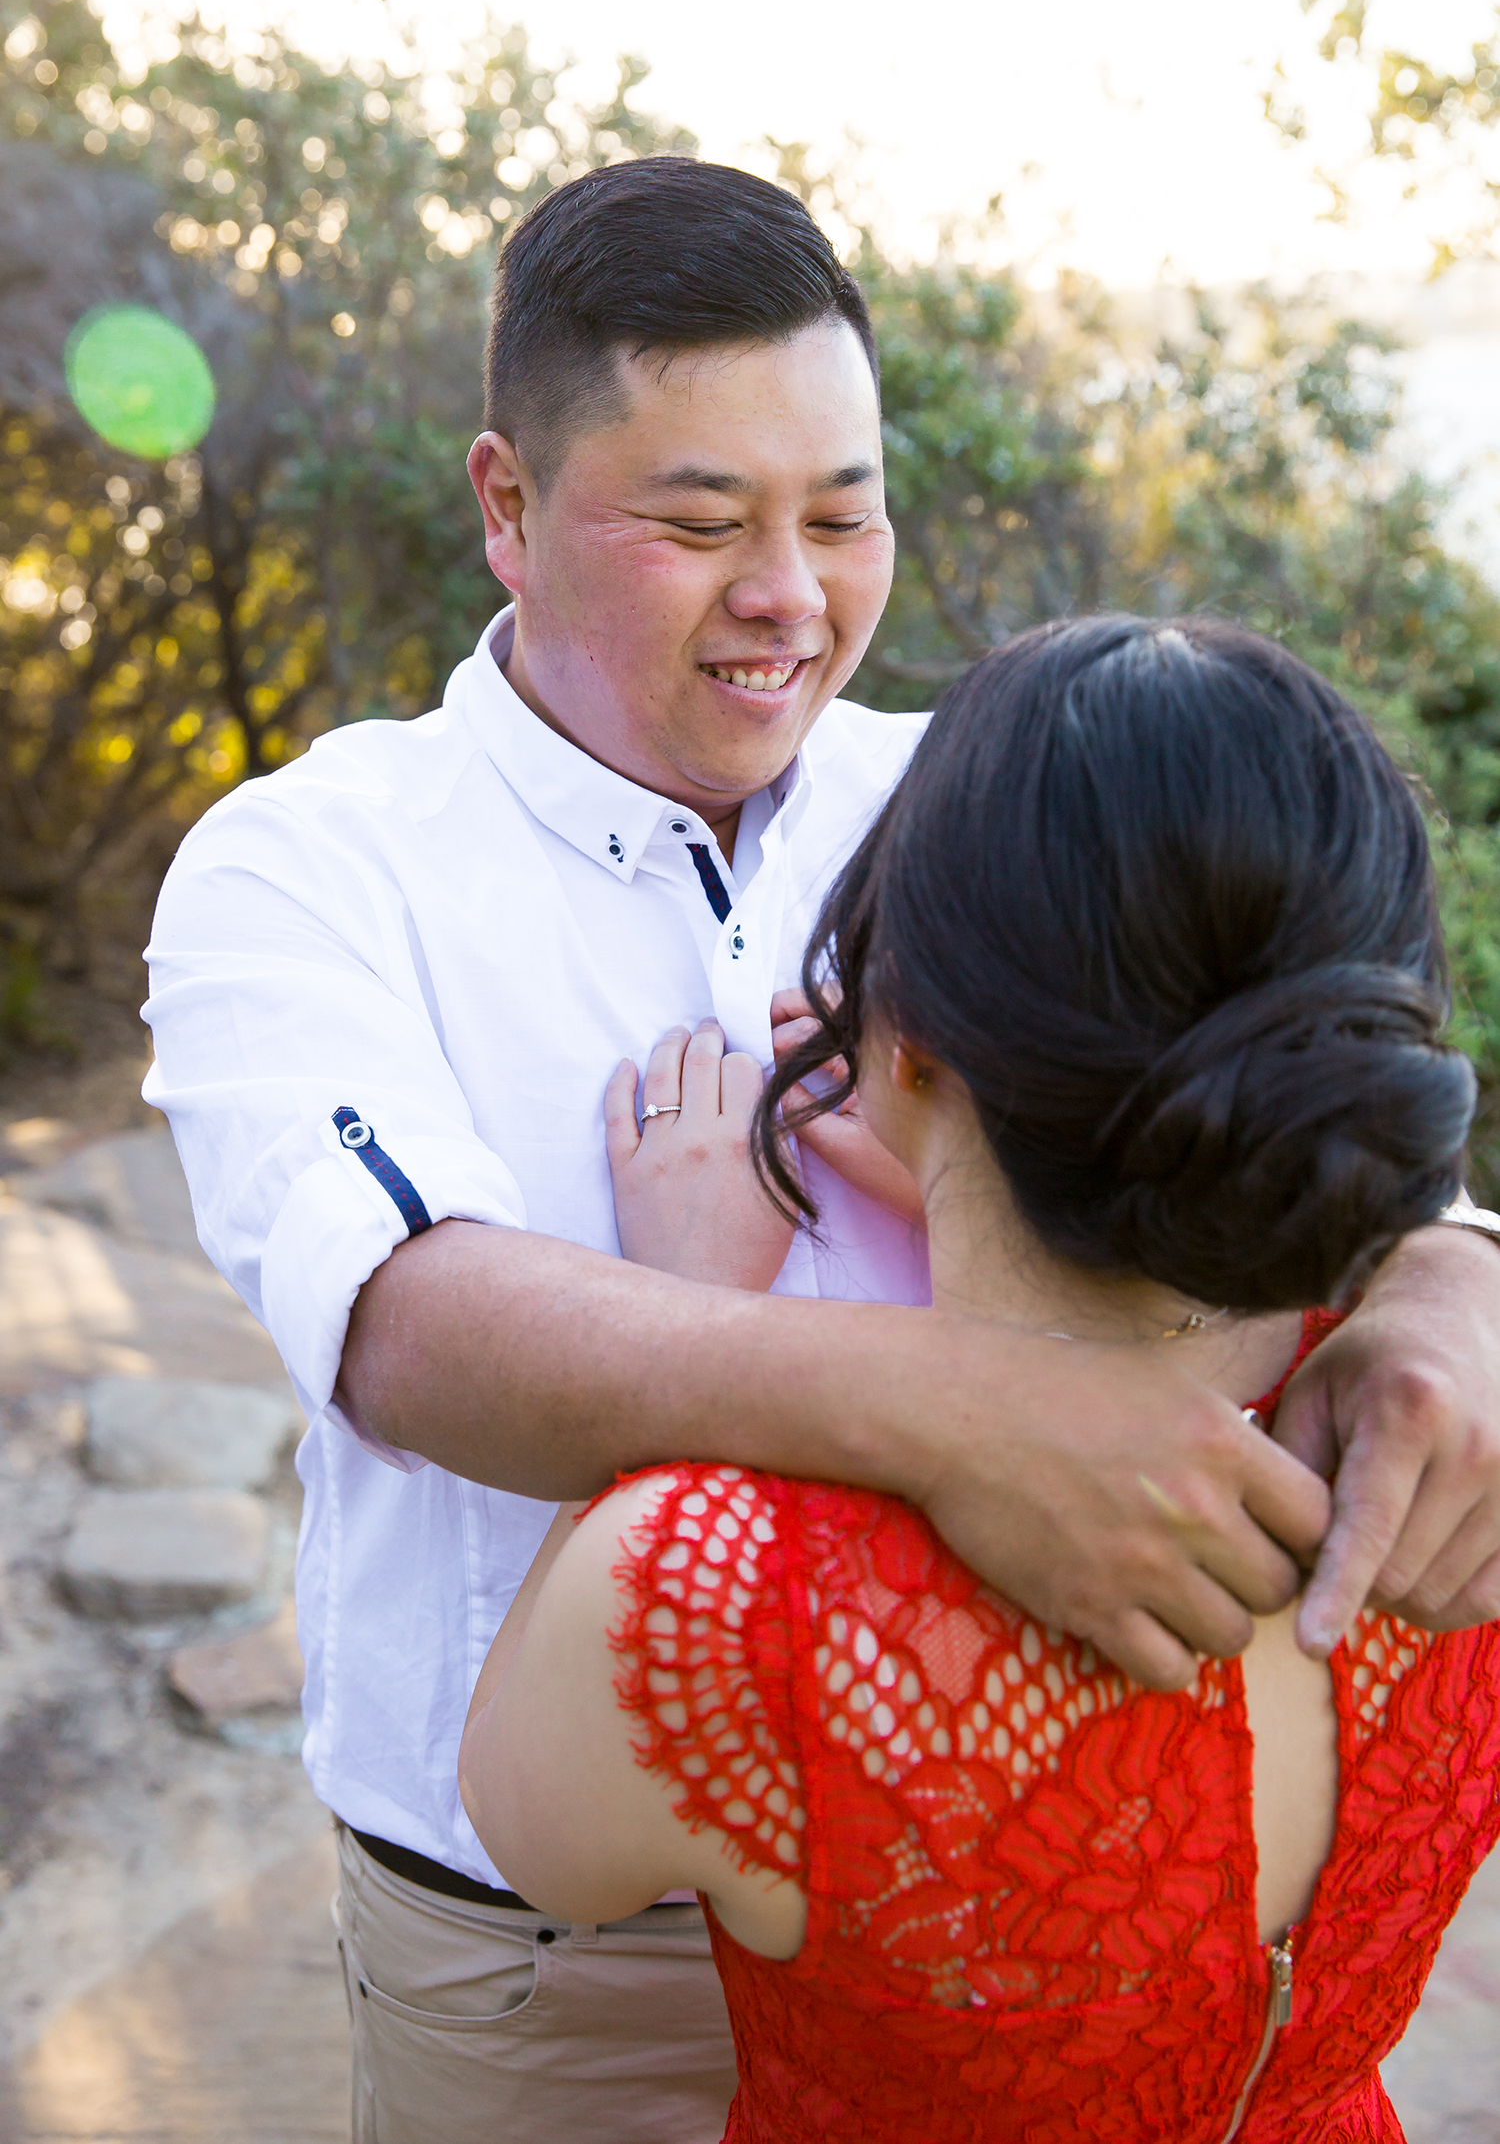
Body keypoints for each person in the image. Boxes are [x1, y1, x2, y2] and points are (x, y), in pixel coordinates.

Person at [142, 162, 1500, 2144]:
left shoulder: (979, 792)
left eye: (843, 514)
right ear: (506, 508)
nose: (794, 597)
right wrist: (983, 1414)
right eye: (702, 525)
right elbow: (419, 1328)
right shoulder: (310, 865)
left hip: (1009, 1893)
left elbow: (1258, 1081)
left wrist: (1454, 1264)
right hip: (552, 1960)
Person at [460, 615, 1500, 2142]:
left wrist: (682, 1294)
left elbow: (533, 1836)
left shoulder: (708, 1592)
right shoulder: (1459, 1439)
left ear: (908, 1039)